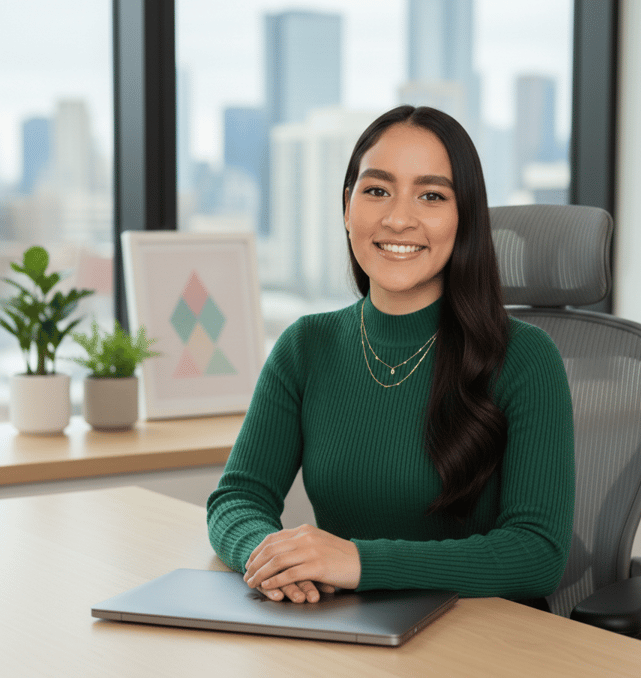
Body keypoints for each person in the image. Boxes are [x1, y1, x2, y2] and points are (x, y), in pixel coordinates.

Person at [207, 105, 574, 607]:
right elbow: (238, 499)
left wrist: (357, 562)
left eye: (431, 196)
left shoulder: (526, 359)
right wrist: (273, 561)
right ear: (346, 207)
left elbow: (537, 555)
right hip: (341, 633)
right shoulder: (306, 346)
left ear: (464, 217)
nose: (399, 219)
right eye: (377, 190)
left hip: (479, 643)